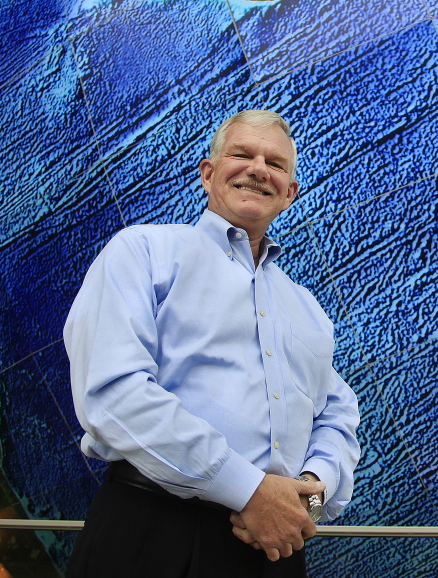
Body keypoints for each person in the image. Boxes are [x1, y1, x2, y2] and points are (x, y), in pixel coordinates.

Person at [63, 110, 361, 578]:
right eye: (242, 154)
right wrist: (248, 489)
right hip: (151, 535)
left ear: (289, 193)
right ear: (208, 173)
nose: (258, 168)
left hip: (274, 550)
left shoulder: (308, 309)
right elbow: (113, 393)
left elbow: (338, 415)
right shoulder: (143, 252)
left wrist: (310, 494)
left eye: (276, 164)